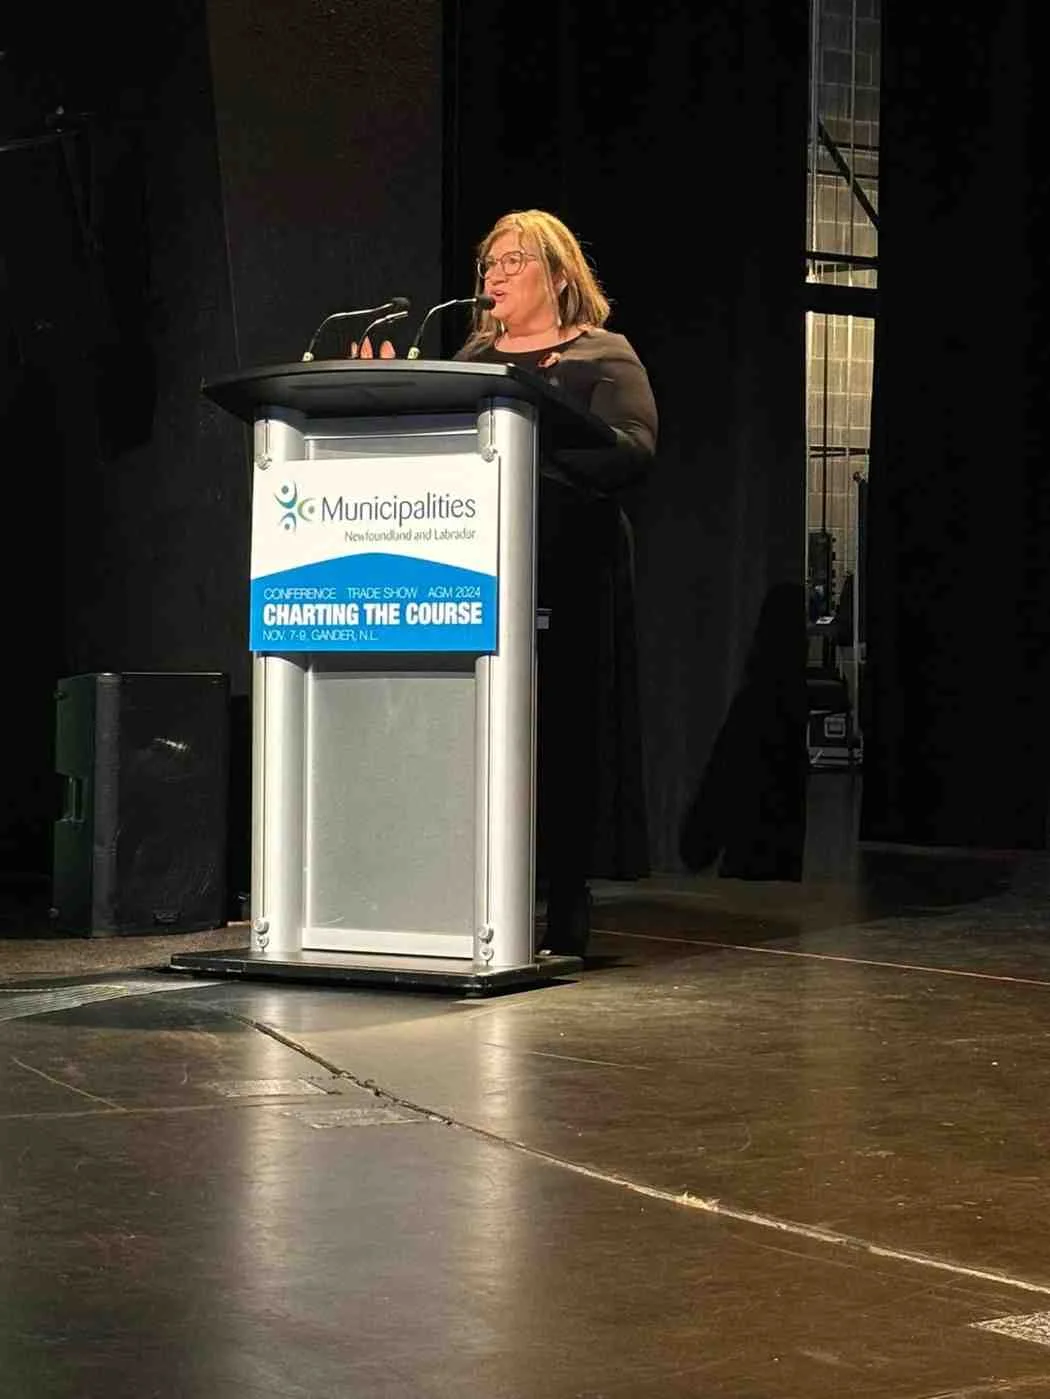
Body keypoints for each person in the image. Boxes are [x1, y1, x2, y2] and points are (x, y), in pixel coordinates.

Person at [361, 209, 658, 955]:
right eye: (489, 263)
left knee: (563, 727)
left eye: (513, 261)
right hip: (477, 560)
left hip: (570, 558)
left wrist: (538, 446)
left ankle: (566, 894)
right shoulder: (472, 355)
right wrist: (387, 390)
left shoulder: (602, 352)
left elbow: (633, 450)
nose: (494, 275)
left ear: (558, 274)